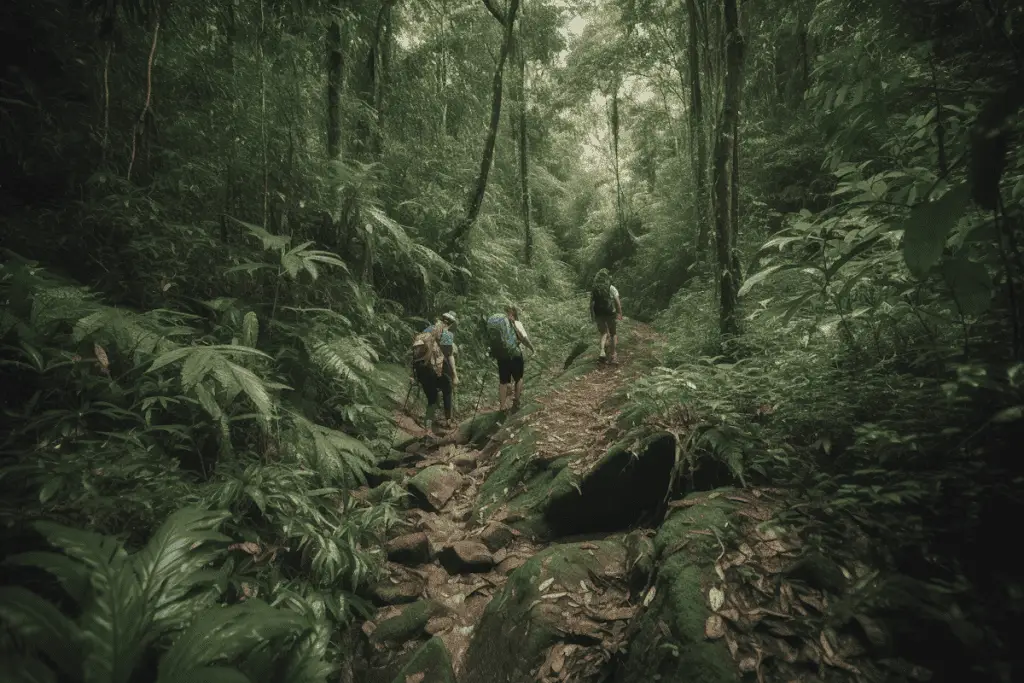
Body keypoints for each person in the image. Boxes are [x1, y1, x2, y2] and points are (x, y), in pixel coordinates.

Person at [410, 311, 459, 431]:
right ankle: (448, 421)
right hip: (436, 369)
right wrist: (454, 375)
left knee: (432, 399)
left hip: (421, 369)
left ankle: (427, 426)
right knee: (447, 390)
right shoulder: (447, 335)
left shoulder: (427, 330)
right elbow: (448, 356)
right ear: (451, 324)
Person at [486, 304, 535, 412]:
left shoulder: (498, 323)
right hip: (515, 354)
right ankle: (516, 402)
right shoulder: (516, 323)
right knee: (519, 378)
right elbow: (523, 338)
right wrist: (532, 348)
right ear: (514, 312)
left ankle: (502, 407)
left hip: (501, 355)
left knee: (503, 381)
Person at [589, 268, 622, 363]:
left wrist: (592, 316)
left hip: (599, 313)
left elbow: (591, 304)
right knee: (613, 334)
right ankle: (613, 355)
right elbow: (617, 302)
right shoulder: (611, 288)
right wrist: (619, 313)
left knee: (603, 333)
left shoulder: (595, 289)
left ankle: (602, 352)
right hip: (610, 313)